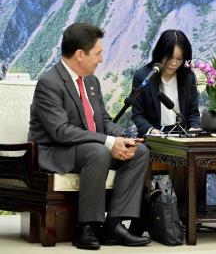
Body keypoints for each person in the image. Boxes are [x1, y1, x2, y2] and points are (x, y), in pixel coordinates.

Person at [28, 23, 151, 250]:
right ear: (80, 55)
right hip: (55, 151)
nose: (101, 59)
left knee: (139, 152)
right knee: (98, 152)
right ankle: (86, 227)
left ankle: (114, 224)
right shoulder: (49, 83)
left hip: (88, 149)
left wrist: (120, 138)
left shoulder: (92, 82)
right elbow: (60, 131)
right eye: (98, 53)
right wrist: (107, 141)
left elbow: (103, 120)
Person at [131, 29, 201, 205]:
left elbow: (193, 113)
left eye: (179, 59)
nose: (173, 63)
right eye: (170, 58)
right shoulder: (143, 76)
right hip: (157, 137)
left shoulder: (188, 77)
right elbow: (138, 115)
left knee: (196, 156)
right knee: (176, 156)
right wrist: (151, 130)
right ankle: (160, 214)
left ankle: (191, 213)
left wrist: (194, 129)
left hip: (181, 134)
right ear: (160, 54)